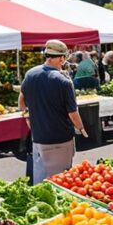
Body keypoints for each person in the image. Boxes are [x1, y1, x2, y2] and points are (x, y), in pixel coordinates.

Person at [19, 40, 87, 183]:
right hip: (59, 138)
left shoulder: (30, 74)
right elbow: (72, 112)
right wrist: (81, 128)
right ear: (62, 58)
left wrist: (27, 116)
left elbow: (21, 100)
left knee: (39, 179)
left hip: (37, 138)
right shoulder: (64, 81)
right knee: (60, 181)